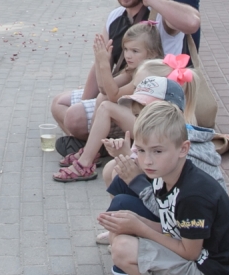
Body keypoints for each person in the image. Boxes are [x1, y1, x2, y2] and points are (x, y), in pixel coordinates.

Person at [99, 102, 229, 275]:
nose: (147, 161)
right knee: (122, 222)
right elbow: (173, 228)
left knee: (123, 249)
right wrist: (134, 220)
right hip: (198, 260)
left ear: (183, 148)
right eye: (141, 150)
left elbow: (188, 252)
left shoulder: (193, 195)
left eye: (157, 151)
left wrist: (140, 227)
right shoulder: (164, 175)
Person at [50, 0, 199, 141]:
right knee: (58, 103)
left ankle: (95, 145)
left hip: (150, 102)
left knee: (74, 117)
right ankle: (96, 143)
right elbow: (101, 63)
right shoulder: (115, 16)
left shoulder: (161, 15)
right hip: (120, 90)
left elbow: (193, 22)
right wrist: (85, 101)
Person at [53, 20, 164, 182]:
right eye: (126, 49)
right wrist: (100, 61)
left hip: (155, 129)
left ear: (152, 53)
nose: (128, 55)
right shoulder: (134, 69)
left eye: (135, 50)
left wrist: (105, 65)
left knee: (106, 106)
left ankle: (85, 163)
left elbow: (114, 95)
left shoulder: (150, 72)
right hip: (143, 123)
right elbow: (104, 89)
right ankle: (91, 151)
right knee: (102, 98)